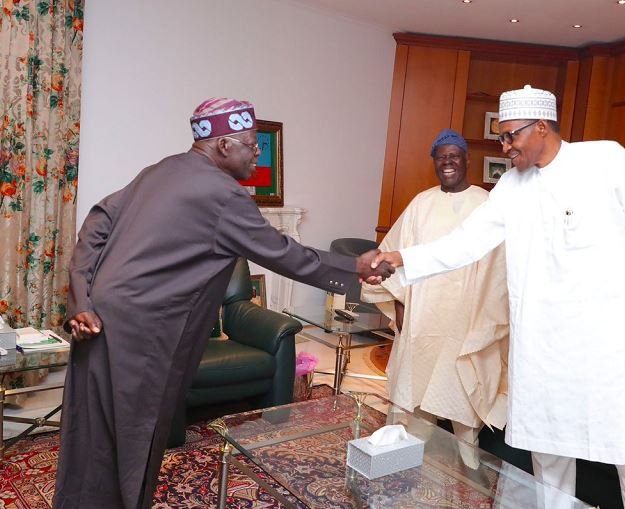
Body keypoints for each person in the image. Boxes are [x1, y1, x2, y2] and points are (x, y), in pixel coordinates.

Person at [53, 97, 394, 509]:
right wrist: (354, 267)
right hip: (142, 337)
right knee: (135, 440)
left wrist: (81, 298)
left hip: (97, 319)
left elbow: (96, 221)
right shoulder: (223, 194)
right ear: (223, 145)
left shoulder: (160, 170)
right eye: (251, 143)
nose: (256, 152)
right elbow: (284, 253)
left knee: (91, 435)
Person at [373, 85, 625, 508]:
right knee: (548, 450)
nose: (504, 146)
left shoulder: (606, 160)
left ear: (542, 127)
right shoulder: (512, 186)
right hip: (544, 346)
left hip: (611, 343)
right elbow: (466, 242)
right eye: (501, 136)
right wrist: (400, 257)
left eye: (511, 135)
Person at [361, 129, 509, 466]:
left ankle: (467, 470)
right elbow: (396, 255)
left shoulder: (486, 204)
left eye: (453, 156)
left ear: (466, 159)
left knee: (459, 394)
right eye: (441, 157)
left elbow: (499, 269)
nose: (447, 163)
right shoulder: (421, 204)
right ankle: (397, 461)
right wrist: (399, 303)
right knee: (412, 391)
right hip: (423, 315)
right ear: (434, 162)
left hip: (466, 317)